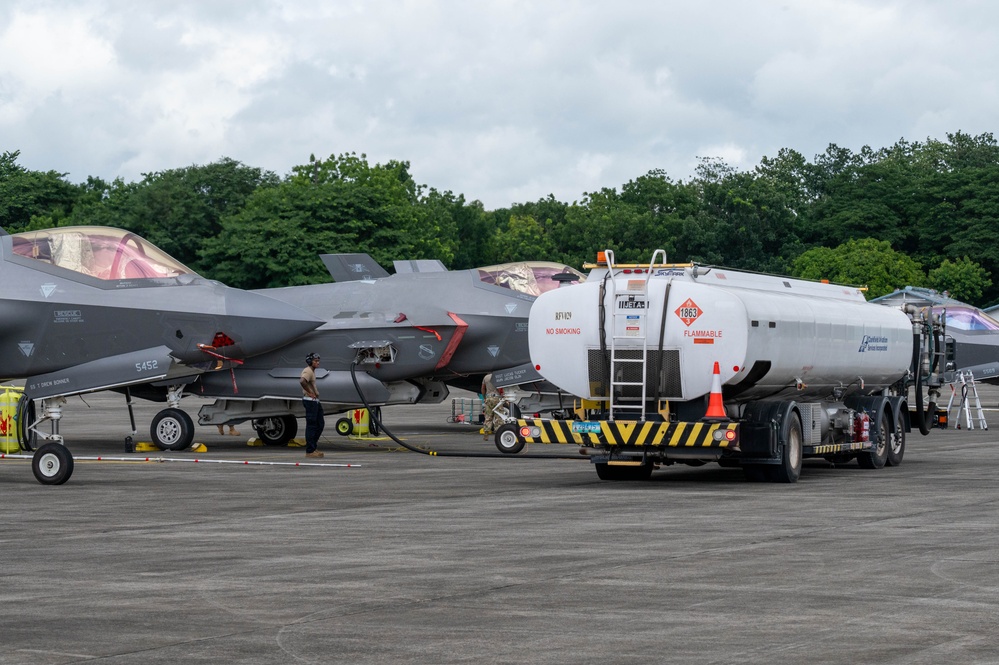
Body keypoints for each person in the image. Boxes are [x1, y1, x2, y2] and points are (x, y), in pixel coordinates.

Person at [300, 352, 325, 457]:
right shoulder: (308, 371)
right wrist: (310, 393)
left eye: (318, 361)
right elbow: (302, 381)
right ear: (310, 361)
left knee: (320, 424)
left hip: (314, 401)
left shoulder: (312, 371)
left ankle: (313, 447)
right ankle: (310, 451)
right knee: (312, 425)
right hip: (310, 401)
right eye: (315, 361)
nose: (318, 362)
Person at [480, 372, 505, 438]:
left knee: (488, 416)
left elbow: (483, 388)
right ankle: (498, 433)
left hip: (488, 398)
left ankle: (486, 433)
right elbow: (499, 388)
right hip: (497, 398)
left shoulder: (486, 377)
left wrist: (484, 398)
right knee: (499, 416)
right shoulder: (497, 376)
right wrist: (502, 396)